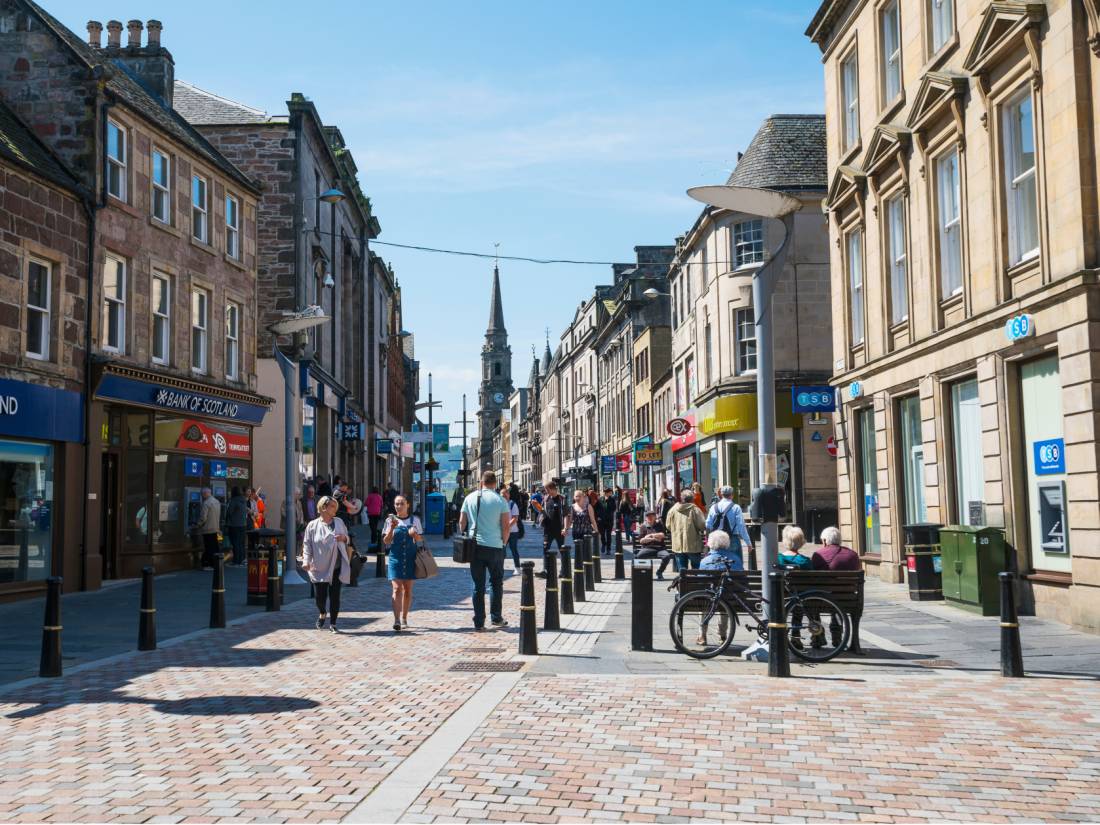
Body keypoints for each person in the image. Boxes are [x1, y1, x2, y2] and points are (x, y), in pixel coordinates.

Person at [458, 470, 512, 631]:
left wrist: (466, 533)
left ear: (481, 482)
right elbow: (506, 526)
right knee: (496, 583)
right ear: (495, 483)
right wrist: (504, 543)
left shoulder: (470, 498)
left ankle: (479, 621)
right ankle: (496, 617)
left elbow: (462, 522)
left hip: (475, 546)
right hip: (495, 546)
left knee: (478, 585)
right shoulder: (500, 500)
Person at [302, 495, 350, 632]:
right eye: (332, 506)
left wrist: (343, 538)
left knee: (335, 595)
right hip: (319, 566)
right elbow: (307, 545)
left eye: (336, 506)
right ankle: (322, 612)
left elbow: (348, 539)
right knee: (320, 598)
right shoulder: (312, 526)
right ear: (323, 507)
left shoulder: (339, 522)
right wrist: (306, 561)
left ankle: (333, 623)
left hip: (336, 565)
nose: (335, 509)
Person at [382, 495, 422, 631]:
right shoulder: (390, 520)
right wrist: (392, 528)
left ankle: (405, 617)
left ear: (408, 505)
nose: (399, 506)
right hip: (396, 558)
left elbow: (420, 539)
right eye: (397, 504)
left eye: (402, 504)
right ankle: (397, 620)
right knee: (397, 588)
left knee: (408, 589)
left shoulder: (414, 520)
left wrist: (414, 535)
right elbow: (386, 541)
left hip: (411, 558)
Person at [705, 486, 754, 567]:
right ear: (732, 495)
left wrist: (708, 540)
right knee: (736, 563)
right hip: (732, 538)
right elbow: (741, 526)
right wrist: (748, 543)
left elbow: (708, 525)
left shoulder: (713, 507)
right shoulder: (736, 507)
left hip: (716, 539)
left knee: (716, 563)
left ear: (721, 494)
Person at [666, 488, 706, 570]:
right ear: (692, 499)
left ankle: (684, 583)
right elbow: (702, 525)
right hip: (693, 545)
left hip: (678, 544)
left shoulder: (673, 509)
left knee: (682, 571)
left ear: (681, 498)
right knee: (696, 569)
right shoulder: (695, 510)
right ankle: (695, 583)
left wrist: (675, 531)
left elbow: (668, 525)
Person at [538, 481, 569, 577]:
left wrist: (565, 528)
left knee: (562, 549)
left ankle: (563, 570)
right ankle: (545, 570)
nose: (546, 492)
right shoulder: (546, 499)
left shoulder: (562, 499)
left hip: (559, 529)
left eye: (547, 490)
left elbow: (565, 515)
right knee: (545, 548)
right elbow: (543, 511)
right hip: (548, 529)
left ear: (553, 489)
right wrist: (537, 507)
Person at [634, 510, 673, 580]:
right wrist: (654, 539)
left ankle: (659, 572)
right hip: (647, 548)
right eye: (648, 516)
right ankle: (643, 573)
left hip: (660, 548)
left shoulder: (659, 525)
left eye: (652, 516)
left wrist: (650, 535)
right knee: (639, 556)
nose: (650, 518)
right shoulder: (643, 527)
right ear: (646, 518)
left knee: (666, 556)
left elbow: (662, 535)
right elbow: (642, 540)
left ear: (655, 517)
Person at [195, 487, 222, 569]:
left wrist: (197, 525)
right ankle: (214, 564)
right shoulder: (217, 502)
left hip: (207, 529)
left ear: (205, 493)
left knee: (208, 547)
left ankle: (207, 564)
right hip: (216, 528)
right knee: (214, 547)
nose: (202, 496)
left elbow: (203, 518)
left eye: (202, 494)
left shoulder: (206, 503)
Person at [225, 486, 250, 566]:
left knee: (235, 543)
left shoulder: (233, 501)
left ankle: (236, 560)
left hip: (234, 525)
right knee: (241, 543)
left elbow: (229, 512)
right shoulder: (243, 500)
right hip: (243, 525)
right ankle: (242, 559)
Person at [501, 486, 522, 572]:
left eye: (505, 496)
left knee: (514, 549)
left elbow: (515, 518)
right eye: (502, 496)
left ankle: (517, 567)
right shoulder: (499, 504)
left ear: (509, 495)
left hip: (512, 531)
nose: (504, 497)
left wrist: (507, 526)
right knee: (501, 550)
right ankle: (500, 567)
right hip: (502, 531)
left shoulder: (513, 504)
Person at [594, 488, 617, 556]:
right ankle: (604, 544)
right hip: (601, 520)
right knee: (602, 534)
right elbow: (596, 509)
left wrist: (608, 502)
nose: (611, 493)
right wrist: (598, 517)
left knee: (609, 535)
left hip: (609, 520)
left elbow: (614, 508)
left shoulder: (612, 499)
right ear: (606, 493)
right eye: (610, 492)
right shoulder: (600, 499)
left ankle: (608, 549)